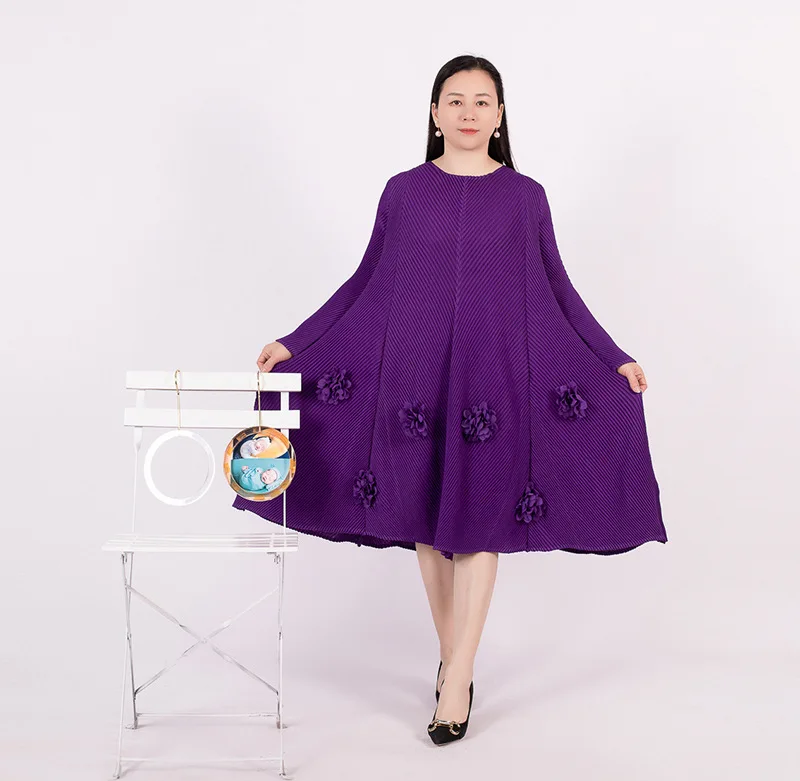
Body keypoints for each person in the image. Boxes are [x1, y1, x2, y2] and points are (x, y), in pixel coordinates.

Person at [236, 55, 668, 745]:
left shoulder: (525, 198)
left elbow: (558, 287)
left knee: (482, 523)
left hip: (492, 383)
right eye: (456, 100)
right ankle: (453, 660)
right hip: (416, 379)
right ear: (435, 113)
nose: (469, 112)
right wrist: (296, 341)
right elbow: (365, 281)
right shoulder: (403, 193)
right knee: (428, 525)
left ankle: (458, 675)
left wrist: (614, 357)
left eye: (482, 101)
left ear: (499, 116)